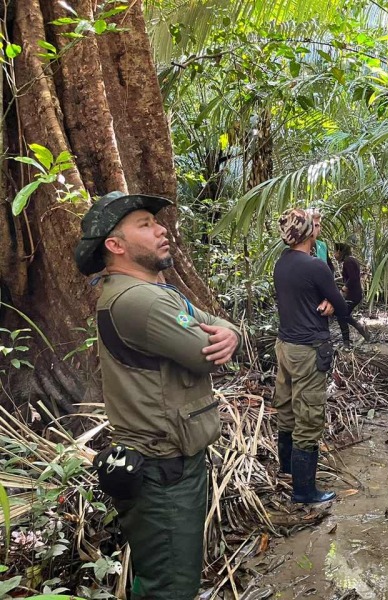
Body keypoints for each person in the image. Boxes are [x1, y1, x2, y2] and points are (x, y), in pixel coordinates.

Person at [74, 191, 241, 599]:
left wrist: (232, 332)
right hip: (162, 468)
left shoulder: (153, 294)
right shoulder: (141, 301)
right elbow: (204, 354)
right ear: (115, 246)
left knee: (166, 573)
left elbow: (215, 322)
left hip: (165, 463)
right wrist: (224, 335)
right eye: (145, 224)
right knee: (170, 586)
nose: (161, 229)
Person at [273, 208, 350, 504]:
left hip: (285, 346)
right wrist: (333, 302)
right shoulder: (315, 266)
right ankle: (304, 490)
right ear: (308, 232)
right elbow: (342, 306)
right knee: (309, 416)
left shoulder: (282, 263)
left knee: (287, 409)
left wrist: (326, 301)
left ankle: (287, 469)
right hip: (308, 350)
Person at [333, 242, 370, 348]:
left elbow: (353, 277)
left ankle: (347, 342)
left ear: (339, 252)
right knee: (343, 315)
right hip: (355, 294)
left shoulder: (348, 261)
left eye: (334, 252)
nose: (334, 255)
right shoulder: (351, 259)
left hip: (353, 295)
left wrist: (345, 287)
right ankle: (356, 331)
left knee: (341, 315)